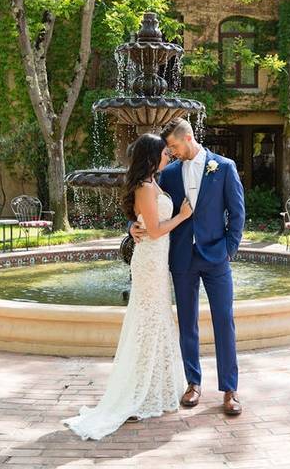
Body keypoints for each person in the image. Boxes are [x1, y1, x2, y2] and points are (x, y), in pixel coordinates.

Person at [63, 133, 192, 440]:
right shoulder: (146, 187)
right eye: (163, 152)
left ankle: (155, 387)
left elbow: (144, 222)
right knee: (147, 319)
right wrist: (183, 216)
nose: (168, 156)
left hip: (157, 260)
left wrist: (135, 224)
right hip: (150, 259)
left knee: (157, 318)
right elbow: (158, 231)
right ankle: (138, 390)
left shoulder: (154, 182)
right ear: (151, 156)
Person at [131, 117, 245, 417]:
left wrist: (228, 251)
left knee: (224, 320)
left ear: (189, 137)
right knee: (187, 323)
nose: (171, 152)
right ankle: (193, 383)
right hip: (182, 259)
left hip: (216, 258)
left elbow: (237, 214)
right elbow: (144, 204)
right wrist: (133, 225)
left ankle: (230, 389)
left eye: (173, 146)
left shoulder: (224, 167)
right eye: (167, 148)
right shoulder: (167, 174)